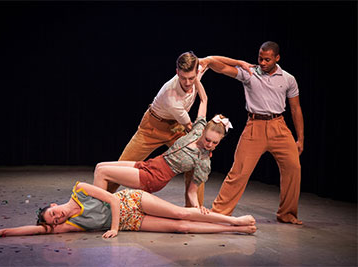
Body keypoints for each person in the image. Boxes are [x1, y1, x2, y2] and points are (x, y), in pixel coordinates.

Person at [108, 51, 250, 207]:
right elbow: (191, 127)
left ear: (197, 71)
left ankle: (193, 212)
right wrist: (204, 143)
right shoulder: (171, 96)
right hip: (153, 127)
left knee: (197, 163)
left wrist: (239, 62)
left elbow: (212, 60)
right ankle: (98, 201)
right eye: (183, 78)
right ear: (177, 72)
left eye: (191, 78)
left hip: (176, 127)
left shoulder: (198, 68)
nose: (188, 83)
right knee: (122, 164)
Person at [199, 41, 304, 224]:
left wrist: (300, 138)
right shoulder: (250, 73)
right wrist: (230, 62)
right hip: (255, 126)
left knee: (294, 168)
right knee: (239, 171)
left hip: (279, 126)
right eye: (260, 58)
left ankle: (287, 214)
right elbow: (219, 66)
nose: (262, 63)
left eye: (267, 59)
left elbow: (295, 109)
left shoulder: (288, 79)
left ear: (277, 58)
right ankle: (220, 213)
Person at [93, 75, 232, 211]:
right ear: (203, 132)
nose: (209, 145)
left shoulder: (204, 161)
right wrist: (195, 78)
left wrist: (198, 208)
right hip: (150, 165)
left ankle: (95, 212)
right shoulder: (197, 129)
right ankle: (97, 209)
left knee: (103, 172)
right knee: (100, 167)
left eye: (215, 143)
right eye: (208, 140)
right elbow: (204, 99)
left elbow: (192, 192)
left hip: (154, 177)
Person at [0, 181, 257, 239]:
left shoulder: (79, 190)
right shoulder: (69, 226)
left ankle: (234, 219)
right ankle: (237, 230)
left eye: (53, 215)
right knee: (181, 228)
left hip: (130, 202)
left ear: (54, 206)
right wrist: (5, 231)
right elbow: (37, 230)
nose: (57, 220)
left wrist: (113, 228)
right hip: (131, 223)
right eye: (53, 223)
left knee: (181, 213)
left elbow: (113, 201)